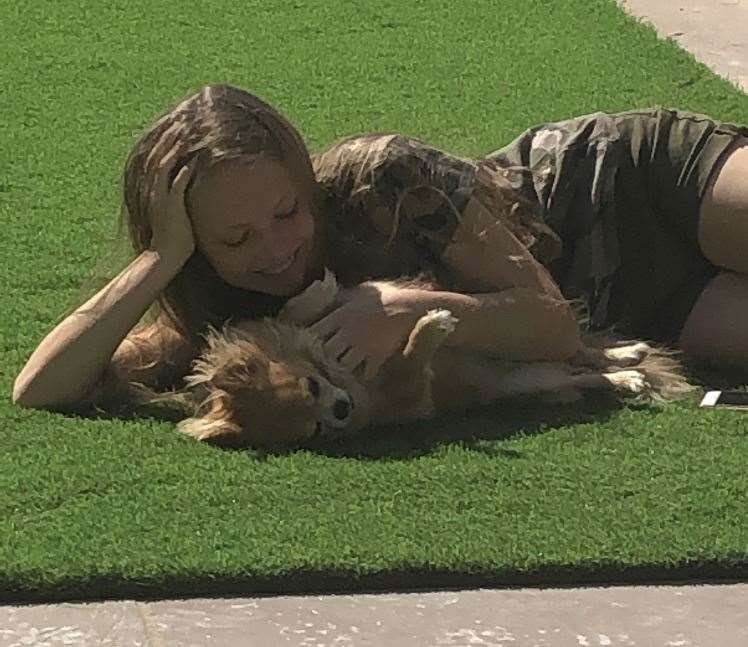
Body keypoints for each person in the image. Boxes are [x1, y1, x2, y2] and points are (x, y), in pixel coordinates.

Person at [11, 84, 748, 414]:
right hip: (643, 306)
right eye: (234, 237)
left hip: (628, 181)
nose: (276, 249)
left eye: (288, 211)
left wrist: (404, 308)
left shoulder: (381, 176)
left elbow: (551, 321)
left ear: (307, 181)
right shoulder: (217, 310)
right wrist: (160, 260)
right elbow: (39, 387)